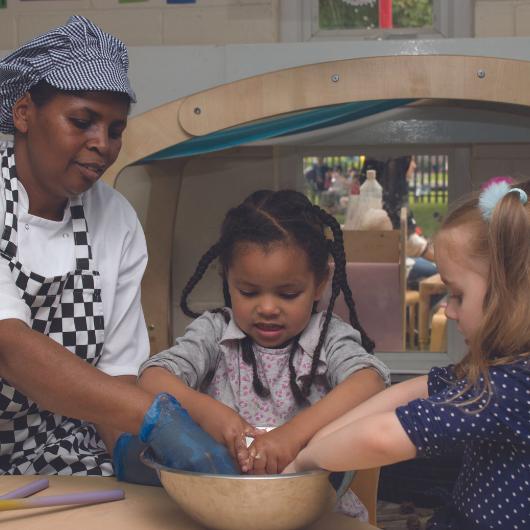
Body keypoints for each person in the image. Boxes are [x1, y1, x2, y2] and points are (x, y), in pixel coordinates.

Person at [0, 15, 236, 479]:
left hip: (57, 455)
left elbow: (116, 383)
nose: (102, 145)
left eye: (115, 130)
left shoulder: (116, 219)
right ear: (24, 113)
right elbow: (9, 346)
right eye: (82, 121)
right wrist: (158, 420)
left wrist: (141, 462)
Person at [285, 180, 530, 530]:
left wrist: (304, 462)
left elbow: (382, 438)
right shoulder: (501, 370)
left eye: (458, 295)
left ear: (512, 296)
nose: (449, 309)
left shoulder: (514, 386)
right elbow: (413, 390)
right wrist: (318, 440)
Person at [138, 189, 390, 518]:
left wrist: (294, 435)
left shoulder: (327, 337)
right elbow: (151, 379)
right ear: (227, 280)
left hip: (313, 509)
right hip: (223, 508)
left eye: (288, 293)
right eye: (248, 291)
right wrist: (207, 413)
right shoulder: (215, 333)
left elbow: (370, 382)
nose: (268, 308)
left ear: (320, 283)